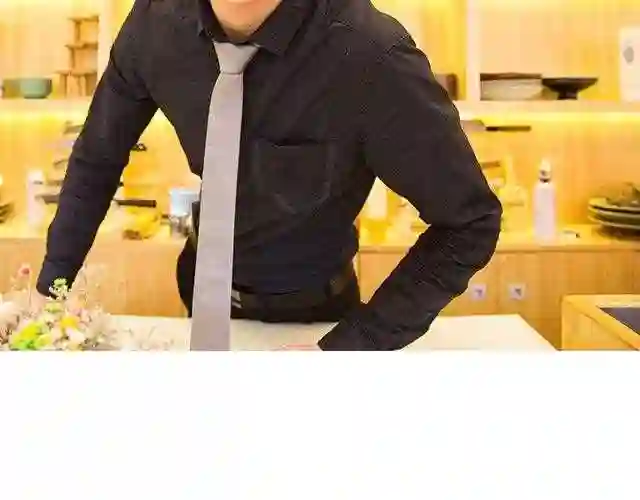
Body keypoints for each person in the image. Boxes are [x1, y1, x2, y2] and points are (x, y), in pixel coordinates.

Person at [36, 0, 502, 350]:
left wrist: (353, 346)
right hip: (199, 293)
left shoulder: (369, 53)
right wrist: (50, 292)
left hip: (315, 316)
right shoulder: (155, 23)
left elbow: (470, 222)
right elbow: (97, 158)